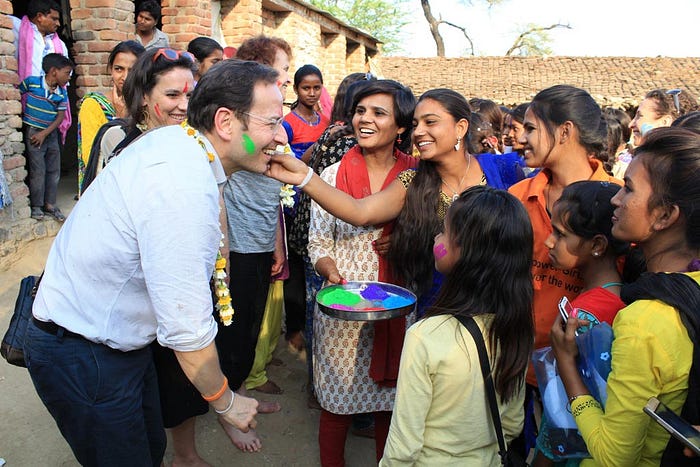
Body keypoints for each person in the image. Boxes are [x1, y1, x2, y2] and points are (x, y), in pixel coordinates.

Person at [24, 59, 277, 466]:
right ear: (226, 123)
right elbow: (185, 328)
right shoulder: (180, 183)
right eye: (272, 123)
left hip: (113, 344)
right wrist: (226, 402)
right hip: (83, 352)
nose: (280, 137)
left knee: (148, 449)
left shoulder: (184, 146)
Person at [267, 88, 524, 316]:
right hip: (439, 311)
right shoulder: (414, 181)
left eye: (430, 122)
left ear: (461, 128)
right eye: (416, 123)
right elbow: (360, 212)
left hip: (501, 309)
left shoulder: (505, 170)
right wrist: (305, 177)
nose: (419, 132)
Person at [550, 127, 700, 465]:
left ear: (665, 215)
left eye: (629, 188)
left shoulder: (645, 322)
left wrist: (567, 366)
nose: (616, 199)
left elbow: (613, 456)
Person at [380, 186, 534, 465]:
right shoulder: (517, 328)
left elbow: (402, 448)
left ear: (465, 252)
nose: (436, 238)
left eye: (444, 232)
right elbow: (512, 424)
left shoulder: (424, 337)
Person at [308, 79, 417, 466]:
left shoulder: (416, 176)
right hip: (343, 306)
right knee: (338, 401)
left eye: (378, 113)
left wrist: (406, 240)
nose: (364, 119)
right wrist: (328, 268)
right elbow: (318, 241)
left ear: (400, 126)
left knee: (391, 403)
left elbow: (435, 235)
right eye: (360, 111)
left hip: (396, 304)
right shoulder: (332, 174)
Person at [214, 35, 292, 453]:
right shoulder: (243, 132)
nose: (287, 78)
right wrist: (224, 251)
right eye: (282, 70)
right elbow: (223, 186)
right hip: (238, 248)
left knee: (252, 326)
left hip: (262, 243)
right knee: (235, 331)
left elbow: (274, 192)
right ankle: (229, 406)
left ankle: (241, 390)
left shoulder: (272, 122)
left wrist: (277, 242)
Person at [285, 73, 375, 410]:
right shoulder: (349, 144)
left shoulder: (330, 131)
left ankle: (317, 387)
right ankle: (329, 392)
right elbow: (347, 205)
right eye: (364, 110)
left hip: (311, 230)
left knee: (317, 313)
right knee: (329, 321)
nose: (367, 119)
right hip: (331, 239)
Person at [532, 180, 629, 466]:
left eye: (561, 234)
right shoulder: (614, 297)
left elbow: (561, 412)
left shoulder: (583, 316)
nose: (549, 242)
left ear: (597, 245)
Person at [77, 40, 145, 193]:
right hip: (104, 186)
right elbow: (91, 157)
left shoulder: (147, 104)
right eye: (119, 69)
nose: (125, 77)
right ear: (110, 70)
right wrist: (121, 117)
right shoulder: (94, 104)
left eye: (132, 70)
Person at [19, 53, 73, 222]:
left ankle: (50, 204)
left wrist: (44, 133)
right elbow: (16, 95)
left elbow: (60, 117)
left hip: (49, 134)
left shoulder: (62, 93)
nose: (69, 77)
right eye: (67, 73)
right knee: (38, 170)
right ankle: (37, 205)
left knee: (54, 170)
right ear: (54, 71)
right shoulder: (32, 82)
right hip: (34, 133)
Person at [12, 0, 71, 144]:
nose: (58, 24)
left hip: (51, 110)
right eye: (54, 18)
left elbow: (65, 78)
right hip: (27, 108)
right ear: (39, 16)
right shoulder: (18, 29)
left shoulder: (60, 45)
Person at [283, 64, 331, 163]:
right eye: (306, 88)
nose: (312, 93)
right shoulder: (287, 124)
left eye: (316, 88)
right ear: (295, 89)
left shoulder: (326, 122)